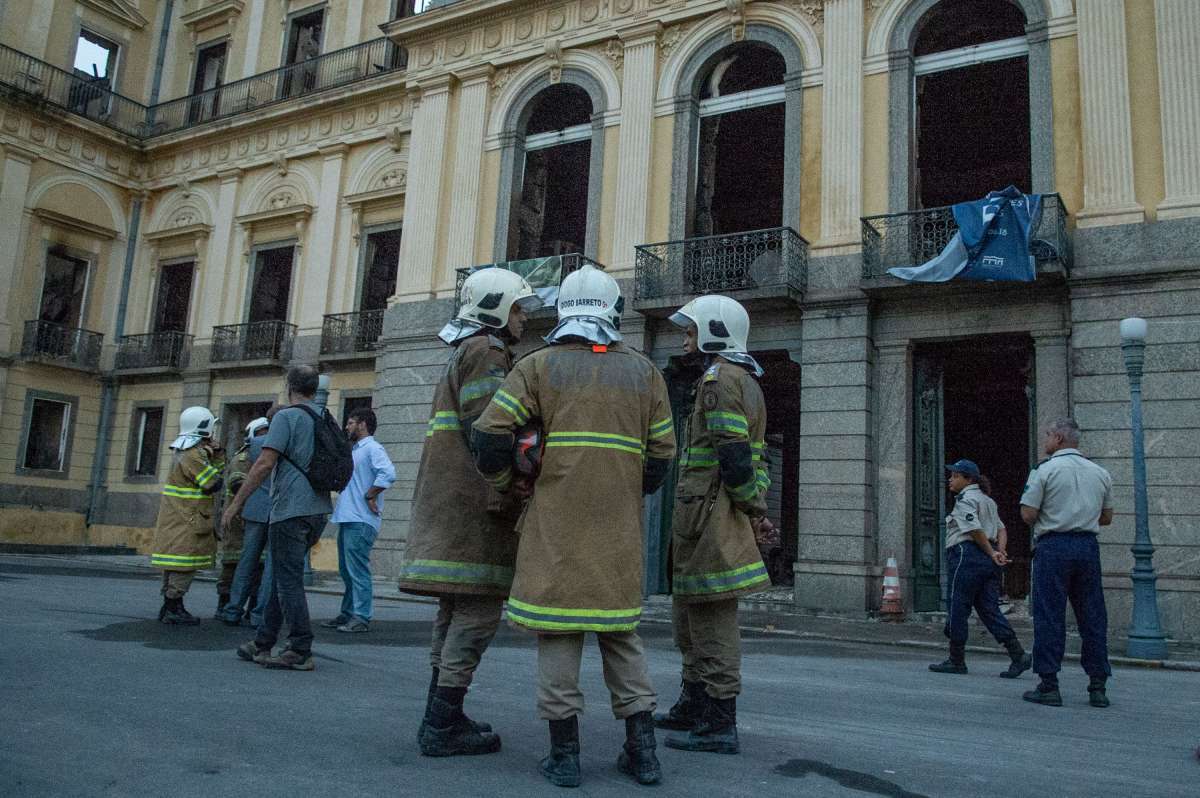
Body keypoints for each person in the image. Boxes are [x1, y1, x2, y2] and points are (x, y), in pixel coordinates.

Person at [473, 265, 676, 788]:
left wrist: (510, 483)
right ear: (614, 311)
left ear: (562, 309)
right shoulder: (645, 371)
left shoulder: (537, 367)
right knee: (620, 635)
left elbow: (491, 436)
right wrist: (628, 490)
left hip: (555, 527)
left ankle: (564, 758)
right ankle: (644, 753)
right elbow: (661, 456)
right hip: (618, 531)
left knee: (559, 635)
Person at [399, 268, 541, 757]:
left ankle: (440, 715)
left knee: (452, 611)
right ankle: (442, 725)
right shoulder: (487, 351)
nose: (524, 318)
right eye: (519, 308)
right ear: (498, 309)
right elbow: (490, 431)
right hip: (474, 510)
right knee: (477, 614)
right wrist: (509, 485)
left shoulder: (466, 349)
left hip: (449, 506)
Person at [654, 295, 771, 756]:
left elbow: (736, 454)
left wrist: (750, 508)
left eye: (690, 332)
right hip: (701, 515)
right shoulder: (741, 379)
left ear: (713, 333)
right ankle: (693, 702)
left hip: (710, 516)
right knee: (689, 613)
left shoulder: (719, 379)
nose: (684, 341)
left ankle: (720, 721)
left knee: (711, 617)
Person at [222, 365, 333, 671]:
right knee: (284, 577)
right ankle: (262, 641)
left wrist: (236, 504)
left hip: (290, 510)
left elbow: (264, 464)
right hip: (318, 510)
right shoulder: (323, 416)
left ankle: (300, 648)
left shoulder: (287, 417)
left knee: (288, 582)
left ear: (289, 386)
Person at [1019, 417, 1114, 708]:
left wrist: (1056, 514)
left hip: (1054, 547)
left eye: (1048, 435)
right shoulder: (1100, 472)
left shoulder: (1044, 470)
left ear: (1059, 439)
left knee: (1049, 615)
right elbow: (1107, 517)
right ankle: (1097, 687)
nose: (1045, 440)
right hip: (1087, 547)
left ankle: (1049, 685)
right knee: (1092, 616)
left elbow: (1028, 514)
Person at [928, 459, 1032, 679]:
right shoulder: (988, 501)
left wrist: (990, 552)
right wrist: (998, 553)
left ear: (968, 479)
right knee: (989, 610)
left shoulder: (966, 499)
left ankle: (956, 660)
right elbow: (1002, 529)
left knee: (958, 605)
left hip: (967, 556)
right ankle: (1018, 654)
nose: (950, 479)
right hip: (988, 559)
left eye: (955, 476)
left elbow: (974, 529)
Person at [151, 407, 225, 625]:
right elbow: (213, 482)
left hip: (181, 518)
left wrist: (216, 454)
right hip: (188, 519)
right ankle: (173, 607)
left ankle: (172, 606)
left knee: (175, 565)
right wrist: (215, 456)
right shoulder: (193, 454)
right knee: (183, 565)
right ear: (204, 427)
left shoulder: (185, 451)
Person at [325, 408, 395, 633]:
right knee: (347, 570)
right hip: (348, 517)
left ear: (363, 424)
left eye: (351, 422)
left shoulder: (373, 448)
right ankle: (347, 613)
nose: (347, 427)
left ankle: (361, 616)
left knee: (357, 570)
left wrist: (370, 494)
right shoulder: (356, 449)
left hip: (361, 519)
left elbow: (388, 473)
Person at [217, 415, 273, 626]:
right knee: (241, 564)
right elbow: (237, 483)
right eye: (261, 432)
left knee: (253, 564)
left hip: (253, 514)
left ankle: (240, 609)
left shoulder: (257, 448)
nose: (264, 435)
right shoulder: (253, 453)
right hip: (251, 516)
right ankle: (235, 608)